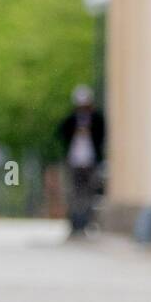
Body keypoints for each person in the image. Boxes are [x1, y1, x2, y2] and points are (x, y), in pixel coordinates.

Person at [56, 85, 105, 237]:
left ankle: (86, 223)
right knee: (73, 194)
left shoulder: (97, 119)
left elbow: (102, 134)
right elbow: (61, 132)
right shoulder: (71, 120)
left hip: (91, 161)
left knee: (89, 194)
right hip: (74, 161)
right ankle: (74, 224)